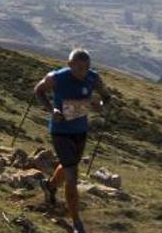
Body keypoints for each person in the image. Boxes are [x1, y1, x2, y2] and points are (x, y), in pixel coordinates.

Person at [35, 49, 112, 233]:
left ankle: (49, 186)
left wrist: (101, 108)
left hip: (80, 131)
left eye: (86, 67)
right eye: (78, 67)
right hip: (60, 131)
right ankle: (77, 222)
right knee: (72, 174)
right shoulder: (56, 77)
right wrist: (51, 110)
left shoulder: (94, 78)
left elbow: (107, 98)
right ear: (70, 65)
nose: (82, 71)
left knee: (68, 165)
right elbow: (39, 90)